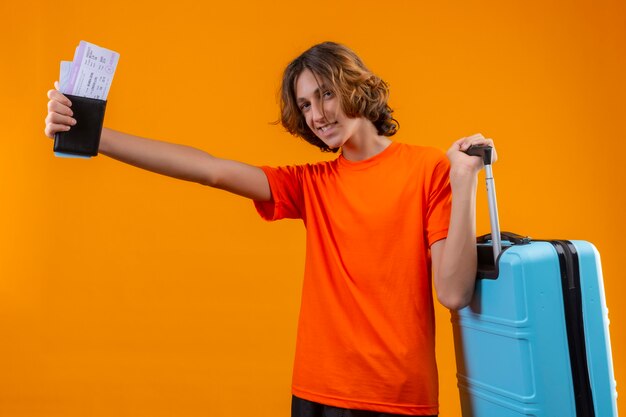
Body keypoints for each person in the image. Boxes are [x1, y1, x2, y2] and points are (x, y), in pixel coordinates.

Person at [45, 41, 495, 417]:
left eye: (325, 95)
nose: (316, 114)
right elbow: (210, 169)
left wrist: (464, 180)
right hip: (315, 392)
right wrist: (94, 137)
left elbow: (453, 293)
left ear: (356, 87)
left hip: (398, 398)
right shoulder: (312, 185)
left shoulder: (428, 168)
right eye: (304, 104)